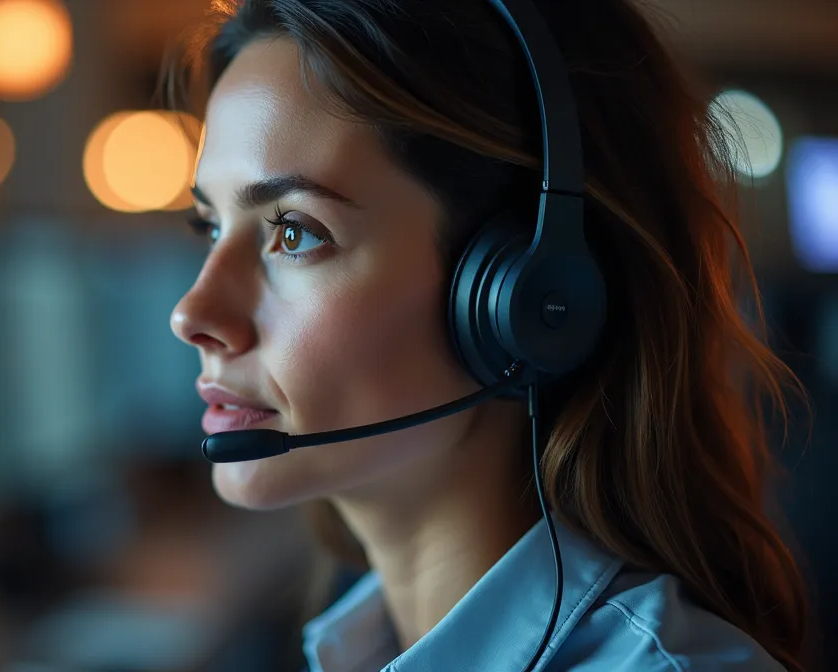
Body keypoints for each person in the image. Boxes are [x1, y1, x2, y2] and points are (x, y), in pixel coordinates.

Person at [164, 0, 812, 670]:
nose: (192, 313)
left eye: (294, 232)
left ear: (527, 295)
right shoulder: (356, 643)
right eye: (209, 227)